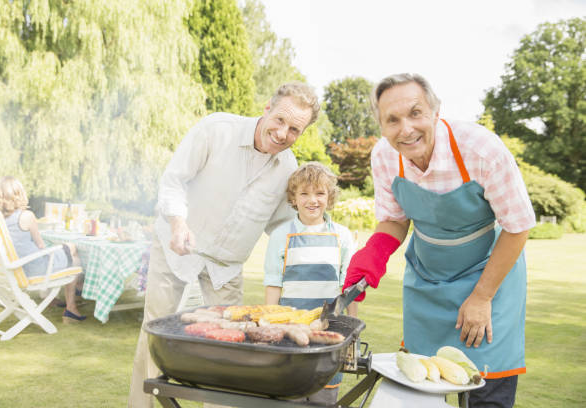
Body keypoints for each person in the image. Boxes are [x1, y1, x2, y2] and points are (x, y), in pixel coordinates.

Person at [342, 73, 535, 408]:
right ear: (381, 125)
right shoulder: (385, 157)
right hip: (427, 279)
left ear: (435, 111)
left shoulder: (480, 149)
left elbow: (518, 225)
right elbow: (394, 220)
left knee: (485, 387)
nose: (405, 129)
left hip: (488, 274)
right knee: (417, 384)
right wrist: (371, 257)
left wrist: (482, 296)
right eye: (392, 120)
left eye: (415, 113)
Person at [128, 82, 320, 408]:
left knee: (231, 348)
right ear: (267, 108)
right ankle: (140, 405)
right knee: (155, 333)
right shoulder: (217, 129)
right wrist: (178, 222)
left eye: (294, 130)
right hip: (177, 245)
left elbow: (280, 227)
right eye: (280, 120)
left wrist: (314, 244)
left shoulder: (287, 168)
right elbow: (174, 180)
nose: (283, 133)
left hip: (227, 265)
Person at [263, 161, 357, 405]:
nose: (311, 200)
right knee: (289, 393)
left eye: (319, 193)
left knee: (324, 395)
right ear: (294, 198)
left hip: (329, 329)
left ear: (330, 196)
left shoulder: (342, 236)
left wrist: (354, 329)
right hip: (290, 328)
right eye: (304, 193)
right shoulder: (281, 235)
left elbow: (350, 287)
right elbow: (274, 283)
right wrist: (269, 327)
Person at [0, 176, 85, 323]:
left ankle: (59, 297)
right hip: (33, 268)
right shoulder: (26, 216)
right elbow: (41, 246)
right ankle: (71, 307)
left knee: (70, 249)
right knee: (75, 258)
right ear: (19, 194)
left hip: (14, 269)